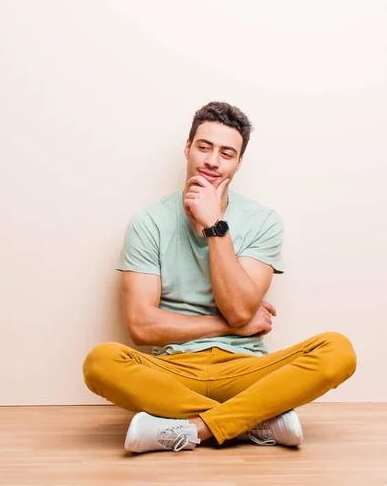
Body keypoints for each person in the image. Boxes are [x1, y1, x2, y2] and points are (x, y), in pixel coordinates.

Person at [82, 101, 357, 453]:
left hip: (246, 370)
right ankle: (254, 421)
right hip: (173, 371)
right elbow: (141, 326)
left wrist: (215, 226)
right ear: (187, 148)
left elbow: (241, 310)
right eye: (204, 147)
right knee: (100, 362)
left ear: (239, 163)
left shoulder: (264, 221)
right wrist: (226, 327)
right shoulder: (148, 223)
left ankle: (192, 429)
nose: (213, 161)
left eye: (227, 153)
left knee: (338, 350)